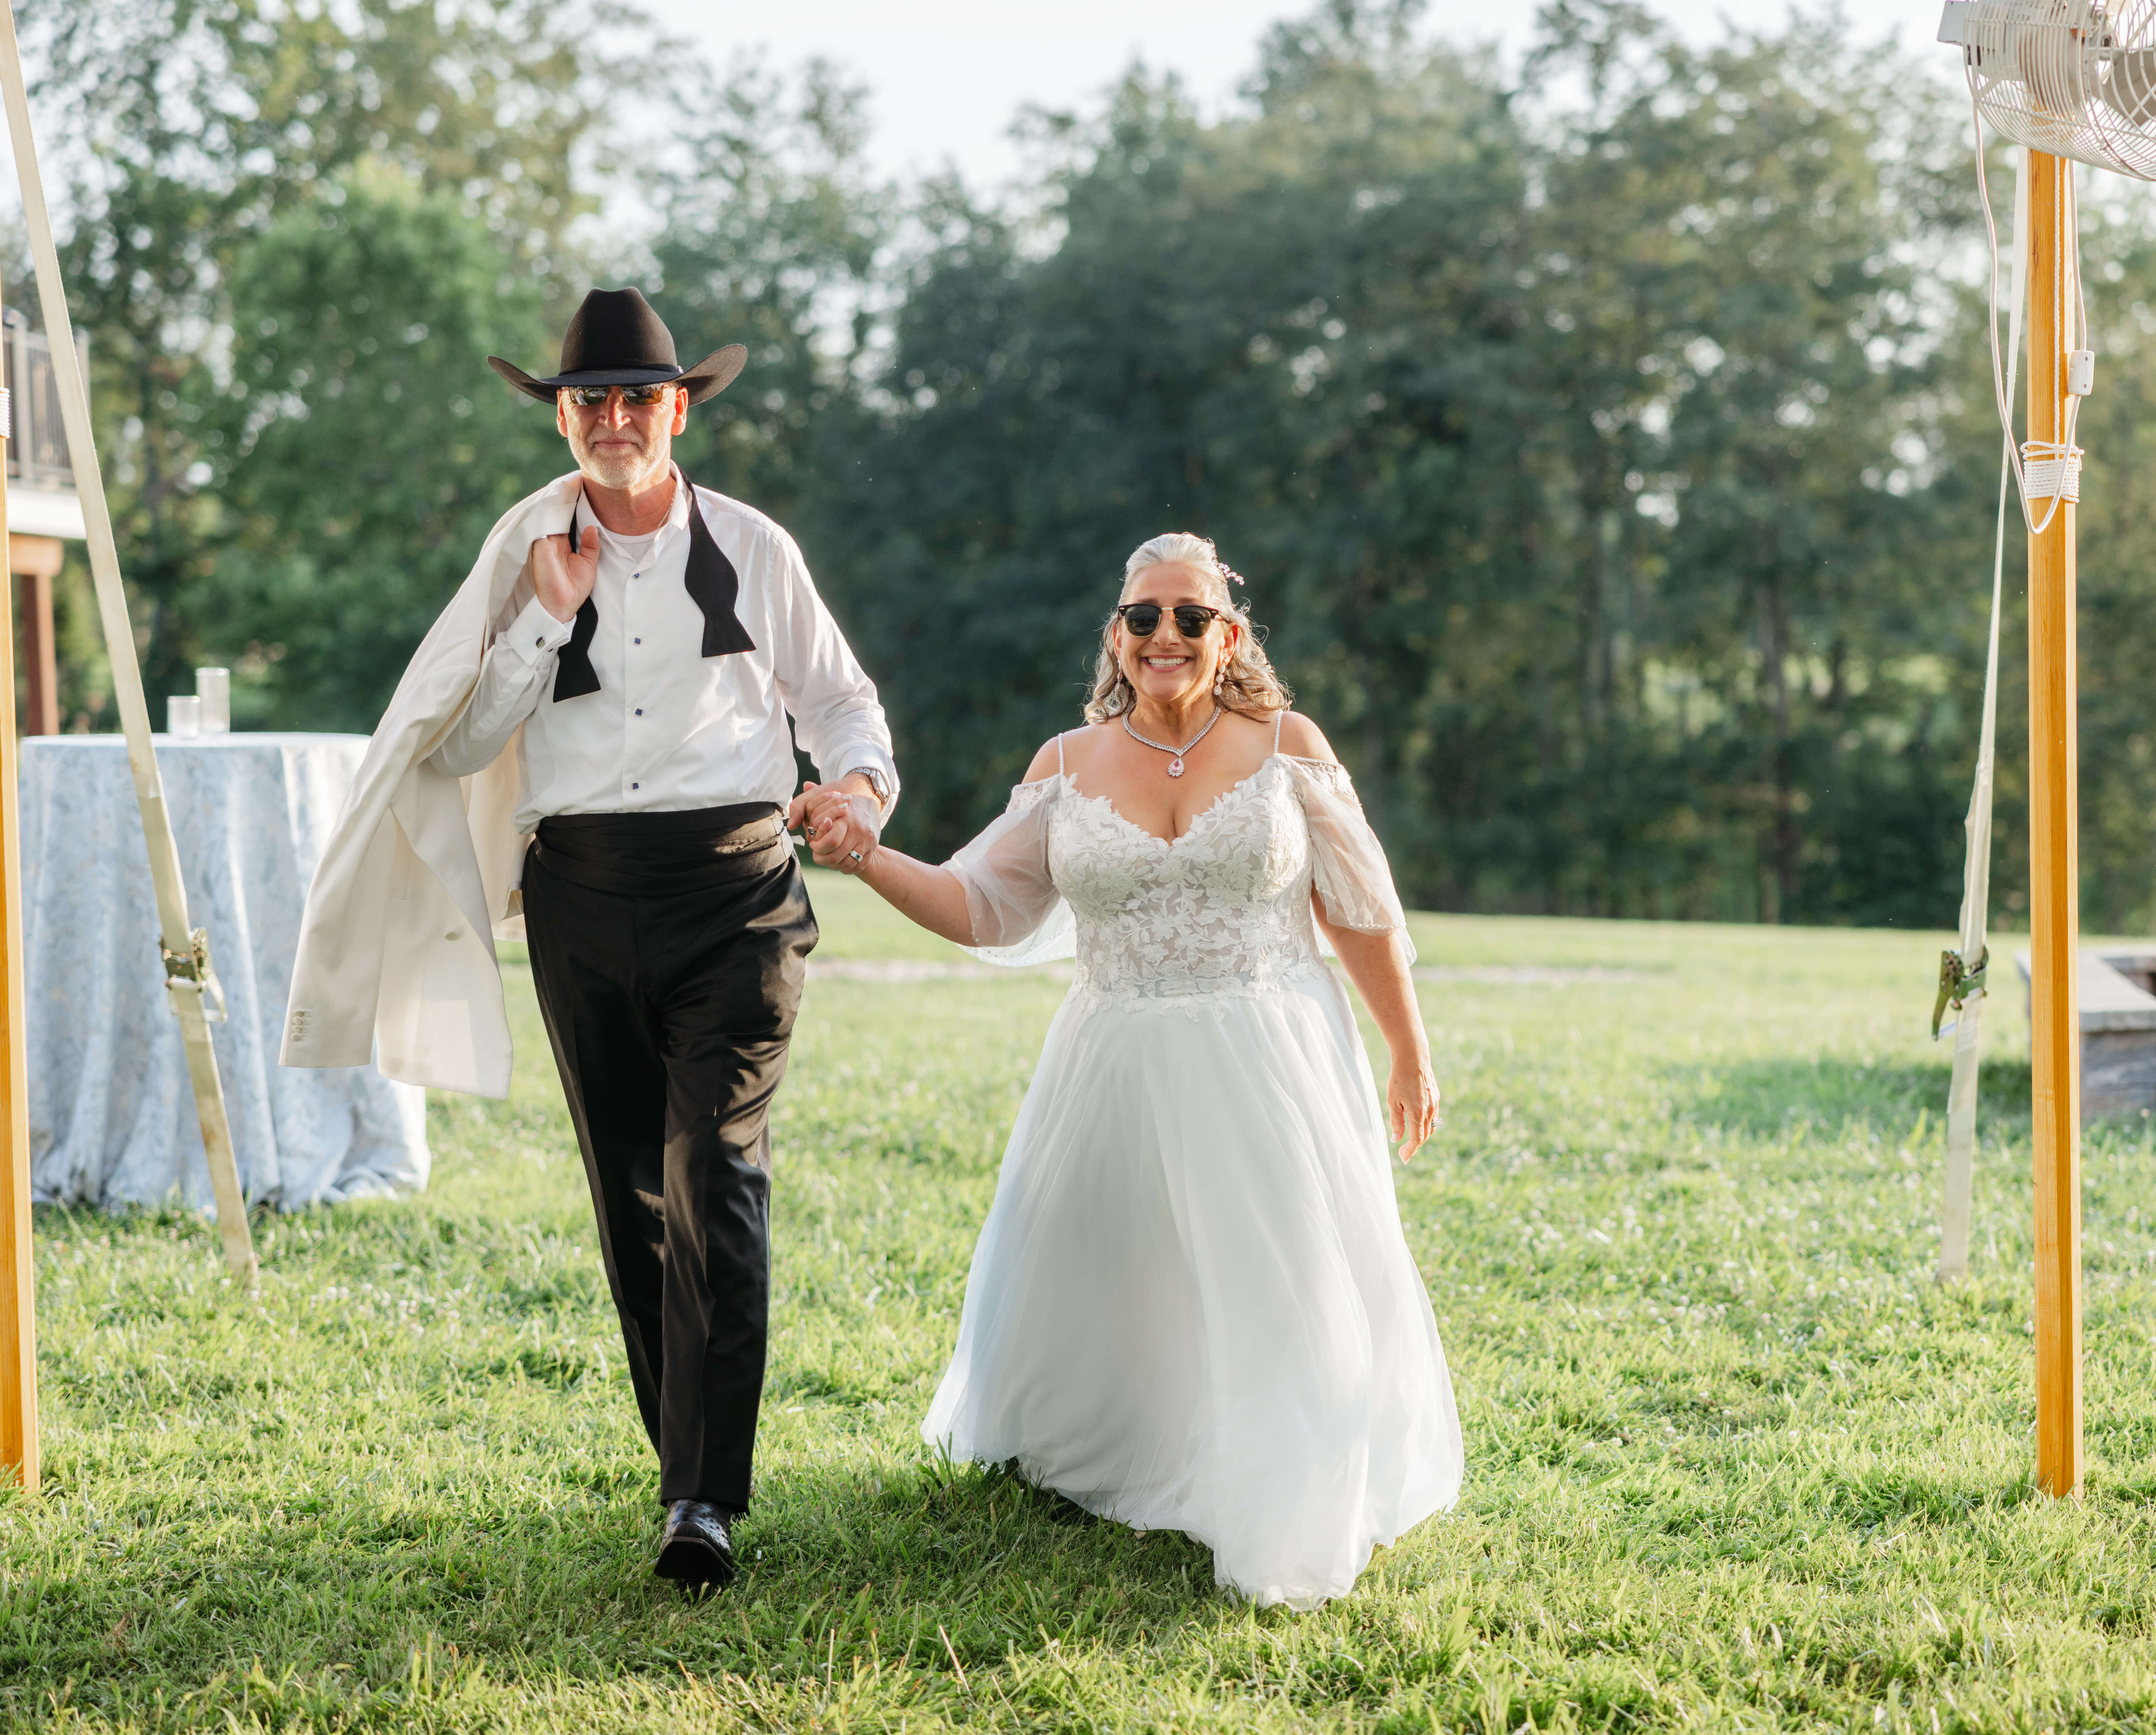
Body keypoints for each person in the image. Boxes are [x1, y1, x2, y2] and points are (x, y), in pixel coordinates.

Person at [284, 288, 899, 1588]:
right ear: (563, 415)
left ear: (677, 410)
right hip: (580, 896)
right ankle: (686, 1466)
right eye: (590, 401)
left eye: (638, 399)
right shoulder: (525, 547)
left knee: (714, 1170)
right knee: (630, 1190)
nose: (614, 421)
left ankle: (700, 1499)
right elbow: (449, 745)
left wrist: (856, 788)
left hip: (736, 892)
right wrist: (543, 618)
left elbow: (841, 703)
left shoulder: (750, 546)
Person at [797, 532, 1462, 1608]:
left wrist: (1409, 1048)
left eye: (1189, 617)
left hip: (1268, 1052)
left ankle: (1290, 1476)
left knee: (1279, 1280)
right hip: (1112, 1055)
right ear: (1116, 635)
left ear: (1227, 635)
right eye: (1144, 616)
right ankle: (1134, 1446)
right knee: (1127, 1274)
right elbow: (983, 906)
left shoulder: (1286, 744)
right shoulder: (1064, 764)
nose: (1165, 634)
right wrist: (865, 856)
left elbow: (1358, 910)